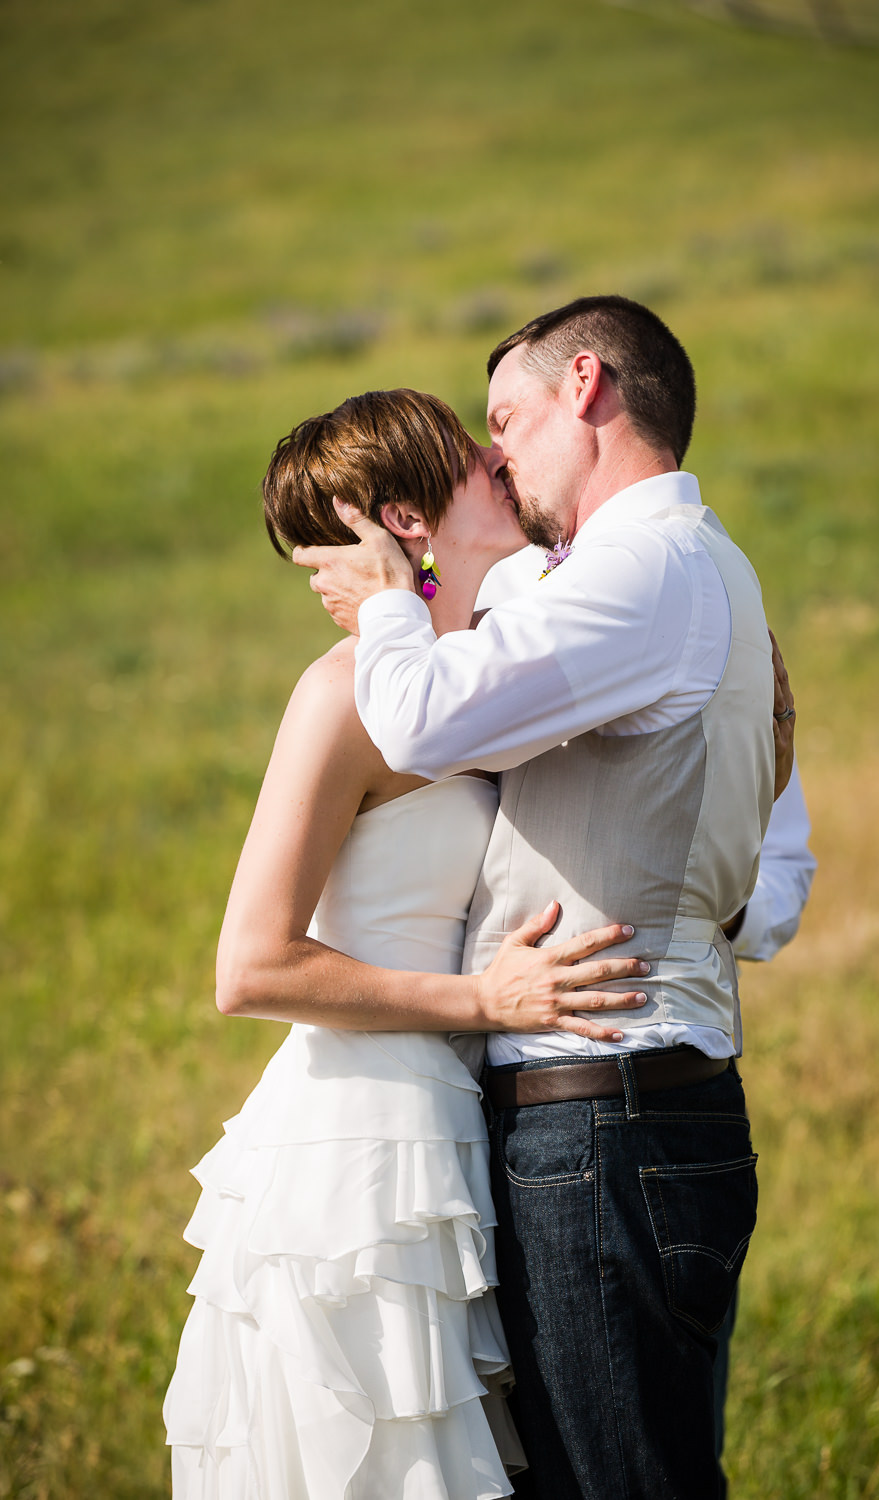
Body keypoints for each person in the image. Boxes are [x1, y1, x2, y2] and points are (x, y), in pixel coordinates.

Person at [293, 295, 792, 1499]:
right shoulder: (695, 568)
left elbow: (413, 709)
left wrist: (385, 607)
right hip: (636, 1109)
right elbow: (774, 883)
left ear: (584, 387)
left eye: (506, 416)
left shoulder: (644, 571)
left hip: (602, 1117)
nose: (497, 451)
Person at [162, 388, 653, 1498]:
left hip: (468, 1130)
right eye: (468, 456)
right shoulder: (340, 697)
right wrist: (489, 1002)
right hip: (363, 1165)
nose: (497, 458)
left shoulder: (486, 676)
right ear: (405, 519)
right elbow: (252, 967)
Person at [476, 547, 817, 1479]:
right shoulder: (494, 616)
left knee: (650, 1457)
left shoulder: (703, 619)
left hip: (633, 1099)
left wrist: (688, 880)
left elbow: (782, 877)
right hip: (479, 1115)